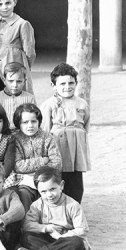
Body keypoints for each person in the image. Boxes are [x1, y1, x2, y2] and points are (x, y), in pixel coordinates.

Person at [17, 166, 91, 250]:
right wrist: (47, 228)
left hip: (67, 240)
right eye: (43, 191)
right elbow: (27, 225)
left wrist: (61, 237)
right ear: (38, 190)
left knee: (77, 242)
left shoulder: (72, 205)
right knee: (26, 237)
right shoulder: (37, 205)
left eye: (52, 189)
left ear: (61, 186)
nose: (49, 195)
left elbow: (82, 229)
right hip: (49, 238)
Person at [40, 63, 90, 203]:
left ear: (76, 83)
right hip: (57, 149)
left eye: (71, 83)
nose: (67, 87)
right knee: (56, 182)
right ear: (53, 85)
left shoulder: (82, 104)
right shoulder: (49, 105)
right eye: (62, 84)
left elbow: (85, 125)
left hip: (76, 151)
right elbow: (44, 130)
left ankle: (74, 211)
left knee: (75, 186)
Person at [11, 103, 62, 211]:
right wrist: (43, 160)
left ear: (39, 121)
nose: (30, 125)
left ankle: (51, 220)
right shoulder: (15, 139)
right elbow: (18, 165)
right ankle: (28, 223)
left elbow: (56, 162)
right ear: (18, 123)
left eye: (33, 121)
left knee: (51, 192)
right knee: (24, 194)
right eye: (25, 122)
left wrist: (43, 175)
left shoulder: (47, 137)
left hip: (46, 178)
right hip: (25, 180)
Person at [0, 0, 36, 94]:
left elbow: (30, 52)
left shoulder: (22, 24)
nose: (4, 7)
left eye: (8, 3)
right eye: (0, 4)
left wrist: (24, 68)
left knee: (17, 97)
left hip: (15, 68)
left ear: (15, 2)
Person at [0, 62, 36, 129]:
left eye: (19, 81)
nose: (15, 85)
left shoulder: (30, 99)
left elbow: (35, 119)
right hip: (3, 134)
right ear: (4, 80)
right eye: (11, 81)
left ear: (24, 81)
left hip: (23, 133)